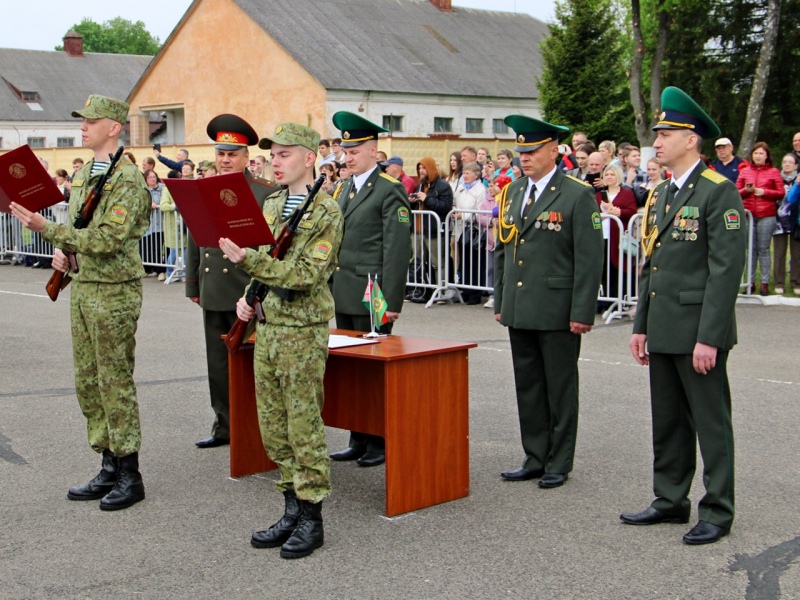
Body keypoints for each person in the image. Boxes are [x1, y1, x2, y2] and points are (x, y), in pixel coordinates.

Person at [10, 95, 151, 510]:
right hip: (86, 285)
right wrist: (65, 255)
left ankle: (130, 472)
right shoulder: (88, 172)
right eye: (82, 119)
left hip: (114, 291)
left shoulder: (126, 178)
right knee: (88, 382)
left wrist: (47, 230)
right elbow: (81, 232)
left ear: (115, 127)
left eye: (93, 120)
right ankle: (107, 463)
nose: (84, 126)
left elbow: (108, 239)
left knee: (114, 381)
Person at [622, 86, 747, 545]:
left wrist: (709, 337)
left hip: (699, 331)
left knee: (711, 423)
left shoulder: (720, 192)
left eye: (667, 133)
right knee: (668, 421)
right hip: (664, 327)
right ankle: (670, 499)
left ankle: (717, 509)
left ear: (691, 139)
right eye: (657, 133)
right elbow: (650, 265)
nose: (657, 141)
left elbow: (724, 271)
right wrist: (641, 326)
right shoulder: (659, 194)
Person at [219, 122, 343, 560]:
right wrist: (245, 300)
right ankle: (290, 507)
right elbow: (263, 270)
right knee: (273, 426)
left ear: (310, 158)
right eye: (272, 153)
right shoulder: (271, 204)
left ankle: (312, 516)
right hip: (268, 327)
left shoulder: (326, 211)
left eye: (285, 153)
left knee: (303, 425)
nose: (275, 160)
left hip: (301, 331)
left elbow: (307, 275)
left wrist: (251, 260)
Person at [494, 115, 603, 489]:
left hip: (557, 308)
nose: (524, 157)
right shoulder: (513, 192)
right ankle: (535, 455)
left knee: (559, 386)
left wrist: (582, 311)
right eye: (521, 151)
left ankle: (559, 460)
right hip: (520, 305)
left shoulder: (576, 194)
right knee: (528, 385)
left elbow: (589, 259)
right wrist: (500, 298)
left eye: (533, 151)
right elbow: (503, 248)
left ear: (554, 151)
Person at [185, 114, 278, 448]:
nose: (225, 159)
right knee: (218, 363)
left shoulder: (266, 193)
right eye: (221, 153)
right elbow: (195, 236)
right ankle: (224, 426)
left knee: (252, 365)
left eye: (232, 153)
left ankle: (255, 430)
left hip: (246, 291)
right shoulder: (203, 188)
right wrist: (193, 283)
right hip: (213, 289)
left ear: (246, 158)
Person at [328, 111, 412, 467]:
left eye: (355, 150)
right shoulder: (342, 188)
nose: (347, 157)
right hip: (344, 289)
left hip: (372, 293)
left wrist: (391, 301)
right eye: (345, 150)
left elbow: (396, 249)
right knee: (352, 371)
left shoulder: (389, 190)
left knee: (375, 370)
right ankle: (357, 437)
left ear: (374, 151)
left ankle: (379, 441)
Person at [736, 142, 784, 295]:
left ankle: (764, 283)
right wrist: (746, 190)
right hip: (748, 215)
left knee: (763, 250)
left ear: (766, 156)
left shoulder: (774, 171)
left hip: (766, 215)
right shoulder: (745, 172)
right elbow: (735, 192)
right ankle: (749, 283)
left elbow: (781, 193)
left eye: (761, 153)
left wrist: (764, 192)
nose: (758, 156)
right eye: (756, 153)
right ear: (752, 155)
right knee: (751, 250)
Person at [409, 156, 453, 297]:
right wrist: (411, 201)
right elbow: (417, 206)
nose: (421, 171)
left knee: (437, 263)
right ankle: (423, 291)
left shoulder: (443, 186)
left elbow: (445, 207)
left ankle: (442, 291)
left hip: (433, 231)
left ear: (431, 169)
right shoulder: (420, 185)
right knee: (419, 262)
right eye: (419, 168)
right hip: (418, 230)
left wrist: (426, 199)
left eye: (424, 168)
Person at [597, 164, 638, 302]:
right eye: (607, 174)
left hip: (619, 238)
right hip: (602, 237)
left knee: (618, 268)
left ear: (618, 176)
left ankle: (621, 300)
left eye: (612, 174)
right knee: (604, 269)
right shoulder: (599, 195)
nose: (609, 177)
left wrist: (616, 211)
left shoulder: (626, 194)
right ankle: (606, 301)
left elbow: (632, 212)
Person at [452, 162, 487, 305]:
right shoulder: (460, 188)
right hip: (462, 229)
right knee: (464, 261)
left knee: (475, 262)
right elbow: (455, 204)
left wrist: (463, 215)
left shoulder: (480, 189)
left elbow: (480, 209)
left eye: (468, 173)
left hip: (475, 229)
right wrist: (455, 213)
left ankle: (475, 293)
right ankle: (465, 290)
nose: (465, 175)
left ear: (476, 175)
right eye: (464, 173)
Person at [774, 154, 799, 294]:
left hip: (796, 220)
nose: (787, 164)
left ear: (796, 165)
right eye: (784, 162)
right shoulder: (776, 178)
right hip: (779, 221)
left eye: (790, 162)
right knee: (779, 253)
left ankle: (796, 282)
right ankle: (779, 283)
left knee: (797, 253)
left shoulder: (798, 179)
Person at [142, 169, 167, 280]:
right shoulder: (144, 190)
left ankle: (163, 269)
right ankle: (155, 269)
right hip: (151, 224)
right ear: (146, 180)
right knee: (153, 247)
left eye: (154, 176)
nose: (152, 179)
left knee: (165, 246)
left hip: (163, 222)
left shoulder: (163, 188)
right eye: (150, 177)